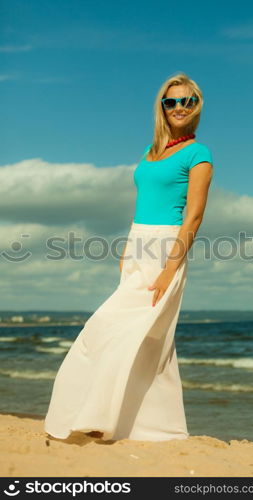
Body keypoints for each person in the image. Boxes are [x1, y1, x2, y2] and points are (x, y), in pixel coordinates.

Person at [44, 72, 214, 442]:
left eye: (188, 101)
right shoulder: (150, 153)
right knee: (129, 336)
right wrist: (127, 246)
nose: (179, 107)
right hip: (138, 245)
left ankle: (109, 419)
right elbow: (142, 203)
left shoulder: (199, 154)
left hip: (166, 248)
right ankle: (131, 424)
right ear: (162, 107)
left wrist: (171, 267)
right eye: (172, 101)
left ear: (197, 106)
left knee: (129, 334)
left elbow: (195, 216)